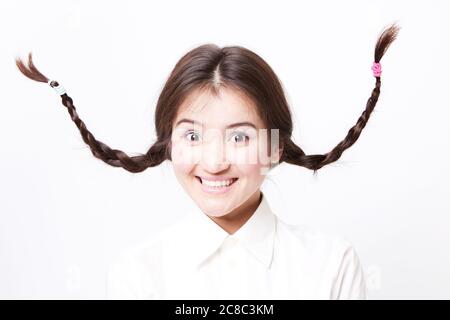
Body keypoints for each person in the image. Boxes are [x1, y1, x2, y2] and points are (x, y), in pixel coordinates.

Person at [15, 23, 400, 299]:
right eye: (193, 135)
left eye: (239, 137)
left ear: (275, 147)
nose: (214, 162)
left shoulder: (331, 266)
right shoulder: (137, 275)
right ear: (169, 144)